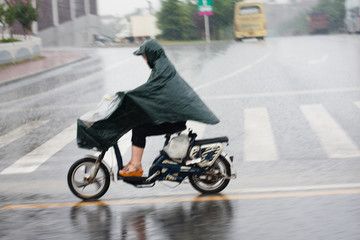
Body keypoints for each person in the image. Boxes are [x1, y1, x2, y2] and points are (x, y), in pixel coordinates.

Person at [77, 40, 219, 177]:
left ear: (151, 54)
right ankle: (135, 163)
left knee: (139, 129)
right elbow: (151, 91)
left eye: (144, 56)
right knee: (139, 125)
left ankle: (136, 165)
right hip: (171, 116)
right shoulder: (161, 66)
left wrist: (129, 96)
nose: (144, 59)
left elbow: (151, 90)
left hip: (173, 120)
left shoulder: (162, 68)